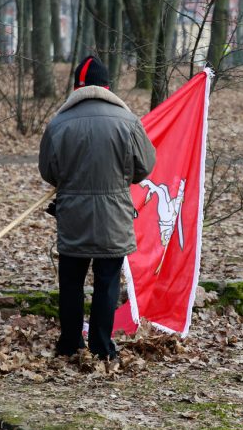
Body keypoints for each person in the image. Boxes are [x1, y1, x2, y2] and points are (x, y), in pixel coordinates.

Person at [38, 56, 156, 361]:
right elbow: (144, 168)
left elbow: (48, 171)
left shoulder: (59, 123)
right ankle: (102, 347)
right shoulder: (128, 122)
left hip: (73, 215)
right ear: (107, 86)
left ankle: (70, 344)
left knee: (72, 284)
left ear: (78, 86)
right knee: (106, 284)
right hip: (113, 216)